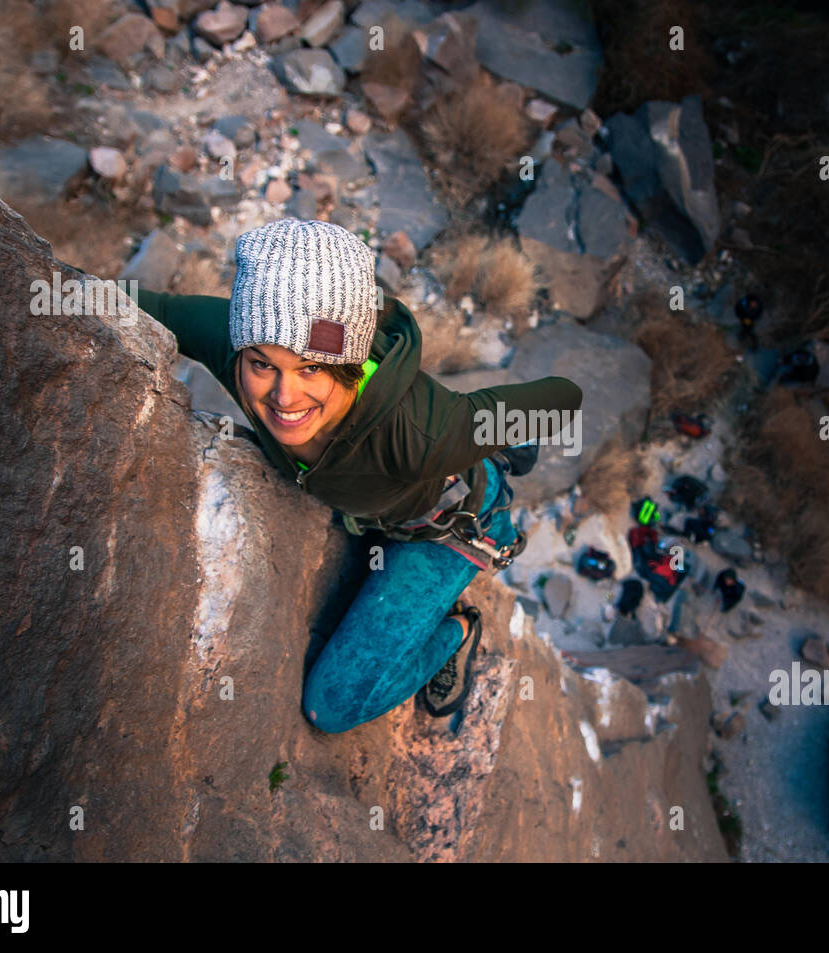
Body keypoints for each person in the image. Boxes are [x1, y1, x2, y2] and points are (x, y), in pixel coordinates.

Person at [137, 219, 582, 732]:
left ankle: (459, 628)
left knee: (332, 706)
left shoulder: (418, 434)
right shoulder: (238, 346)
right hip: (377, 502)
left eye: (311, 370)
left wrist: (470, 422)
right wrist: (51, 286)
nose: (283, 398)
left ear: (347, 366)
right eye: (264, 365)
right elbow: (150, 306)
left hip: (442, 522)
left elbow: (563, 397)